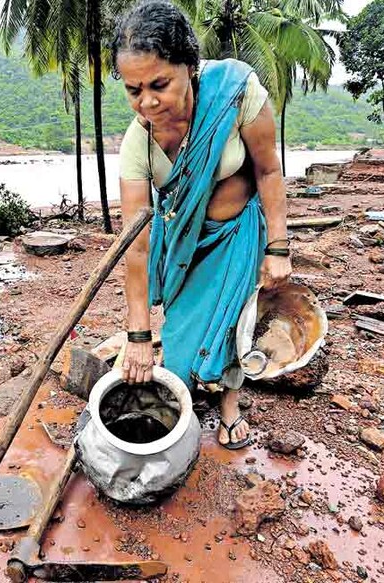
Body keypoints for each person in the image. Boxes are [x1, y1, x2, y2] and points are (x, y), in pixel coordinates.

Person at [112, 0, 291, 449]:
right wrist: (138, 336)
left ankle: (229, 405)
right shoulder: (138, 142)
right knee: (180, 335)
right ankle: (179, 399)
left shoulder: (236, 93)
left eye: (159, 84)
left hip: (237, 236)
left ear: (190, 68)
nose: (148, 102)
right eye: (133, 90)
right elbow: (135, 242)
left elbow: (268, 171)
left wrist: (279, 246)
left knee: (235, 327)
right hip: (183, 245)